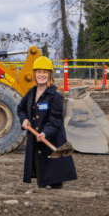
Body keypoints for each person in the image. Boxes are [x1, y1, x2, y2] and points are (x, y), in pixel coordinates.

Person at [17, 56, 77, 189]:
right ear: (34, 74)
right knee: (41, 178)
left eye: (45, 72)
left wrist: (45, 133)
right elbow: (21, 108)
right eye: (39, 72)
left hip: (52, 142)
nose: (41, 75)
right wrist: (24, 119)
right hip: (37, 144)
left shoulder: (55, 95)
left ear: (50, 74)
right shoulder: (31, 93)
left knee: (54, 179)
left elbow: (55, 120)